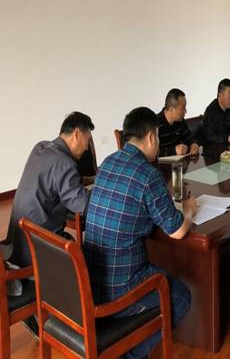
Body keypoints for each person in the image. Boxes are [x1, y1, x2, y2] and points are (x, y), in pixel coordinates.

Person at [84, 107, 197, 359]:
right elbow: (177, 231)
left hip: (91, 282)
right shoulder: (148, 175)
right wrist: (188, 211)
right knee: (180, 297)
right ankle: (130, 355)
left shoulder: (107, 162)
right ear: (151, 137)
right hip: (121, 288)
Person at [7, 112, 93, 268]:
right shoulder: (65, 163)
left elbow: (54, 178)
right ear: (76, 134)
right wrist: (105, 193)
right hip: (37, 250)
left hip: (17, 242)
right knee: (83, 253)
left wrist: (86, 180)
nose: (87, 147)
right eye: (87, 140)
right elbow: (84, 205)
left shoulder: (40, 147)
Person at [157, 88, 200, 157]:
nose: (185, 111)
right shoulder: (155, 124)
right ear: (172, 109)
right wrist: (174, 151)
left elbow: (189, 138)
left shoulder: (180, 121)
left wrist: (193, 144)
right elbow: (151, 153)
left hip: (180, 162)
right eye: (183, 107)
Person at [202, 78, 230, 144]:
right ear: (220, 95)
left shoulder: (229, 109)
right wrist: (227, 138)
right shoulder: (211, 111)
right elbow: (209, 136)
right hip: (216, 148)